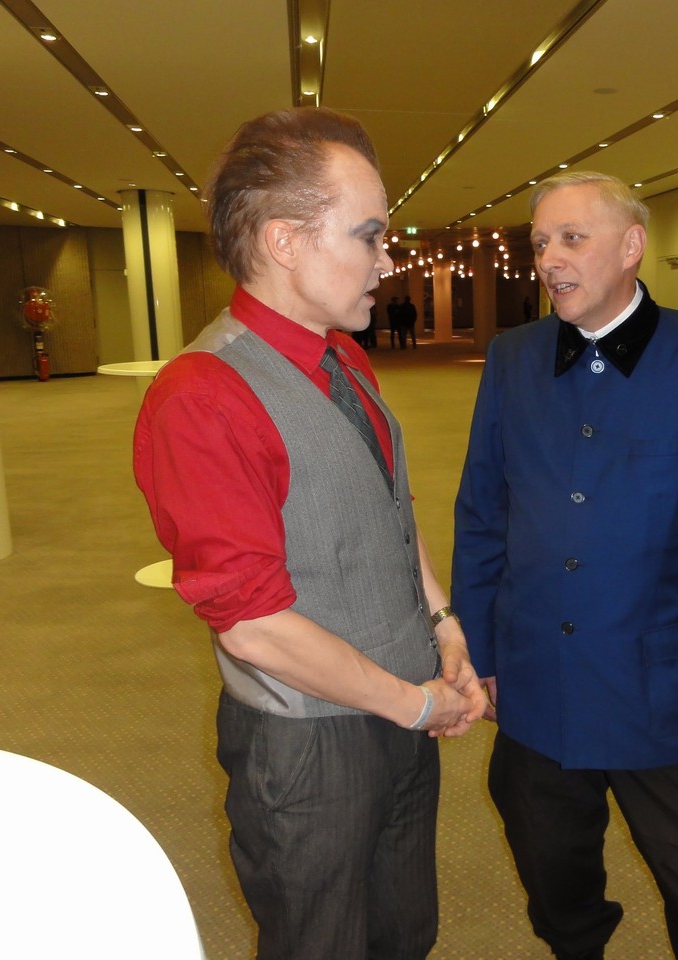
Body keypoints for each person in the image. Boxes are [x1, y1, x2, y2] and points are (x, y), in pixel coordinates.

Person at [133, 106, 485, 960]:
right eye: (369, 236)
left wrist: (442, 622)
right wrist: (416, 704)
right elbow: (252, 625)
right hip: (308, 746)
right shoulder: (201, 397)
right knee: (320, 944)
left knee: (405, 933)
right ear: (285, 241)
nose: (387, 260)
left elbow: (388, 508)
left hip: (399, 707)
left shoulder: (345, 356)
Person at [452, 171, 678, 960]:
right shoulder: (513, 359)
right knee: (553, 873)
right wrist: (482, 654)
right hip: (538, 683)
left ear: (632, 245)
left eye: (572, 238)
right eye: (541, 242)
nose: (549, 259)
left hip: (665, 696)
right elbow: (482, 516)